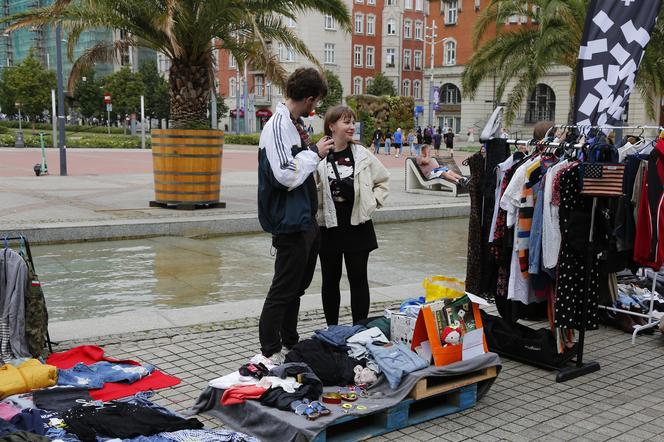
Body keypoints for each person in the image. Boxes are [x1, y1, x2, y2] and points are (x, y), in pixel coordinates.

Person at [257, 67, 335, 364]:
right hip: (289, 222)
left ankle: (289, 341)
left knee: (296, 288)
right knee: (283, 289)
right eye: (316, 102)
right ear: (310, 98)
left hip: (304, 219)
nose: (315, 108)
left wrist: (312, 153)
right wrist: (315, 152)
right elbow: (285, 175)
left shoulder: (295, 124)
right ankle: (269, 349)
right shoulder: (277, 126)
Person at [316, 105, 390, 325]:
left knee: (358, 279)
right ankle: (332, 330)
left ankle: (359, 328)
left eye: (352, 122)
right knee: (330, 280)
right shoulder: (319, 155)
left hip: (357, 224)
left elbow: (383, 180)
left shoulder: (361, 154)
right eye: (346, 122)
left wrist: (372, 202)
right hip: (329, 226)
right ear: (332, 126)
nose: (351, 126)